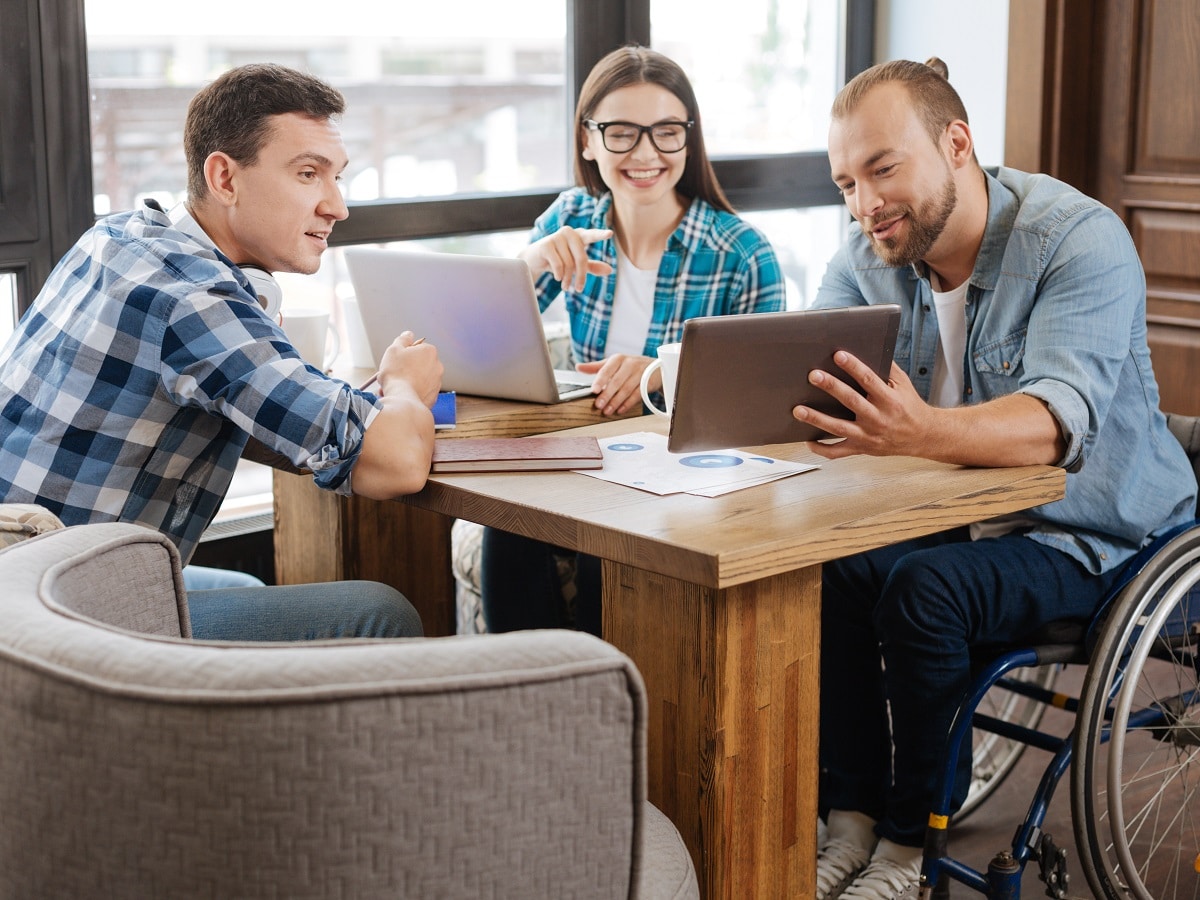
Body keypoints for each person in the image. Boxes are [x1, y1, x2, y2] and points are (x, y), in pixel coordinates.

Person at [790, 57, 1198, 900]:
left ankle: (909, 849)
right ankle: (852, 820)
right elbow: (809, 381)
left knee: (925, 591)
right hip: (965, 519)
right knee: (832, 570)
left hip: (1103, 534)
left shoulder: (1075, 238)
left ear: (958, 144)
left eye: (883, 168)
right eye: (846, 183)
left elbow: (1055, 422)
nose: (865, 204)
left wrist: (918, 429)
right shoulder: (868, 257)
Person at [0, 63, 443, 641]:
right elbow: (399, 463)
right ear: (224, 179)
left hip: (21, 568)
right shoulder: (193, 299)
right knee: (379, 613)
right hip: (55, 623)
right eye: (309, 174)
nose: (337, 206)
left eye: (337, 177)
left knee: (248, 595)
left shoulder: (118, 236)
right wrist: (405, 385)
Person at [479, 44, 787, 636]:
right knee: (508, 528)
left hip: (685, 479)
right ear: (588, 141)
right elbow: (482, 341)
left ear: (689, 141)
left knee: (610, 547)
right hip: (589, 460)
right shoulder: (571, 219)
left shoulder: (743, 254)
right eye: (621, 132)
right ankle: (520, 708)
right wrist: (532, 260)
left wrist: (664, 375)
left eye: (667, 131)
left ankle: (609, 715)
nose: (646, 153)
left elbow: (769, 414)